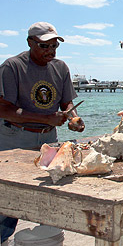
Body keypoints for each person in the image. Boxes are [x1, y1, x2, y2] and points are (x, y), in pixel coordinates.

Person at [0, 22, 85, 243]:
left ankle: (44, 237)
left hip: (48, 139)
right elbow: (4, 110)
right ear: (30, 43)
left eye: (54, 46)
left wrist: (73, 120)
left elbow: (67, 105)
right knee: (7, 197)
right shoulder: (12, 67)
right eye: (44, 46)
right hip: (14, 137)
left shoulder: (61, 68)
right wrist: (46, 118)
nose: (50, 51)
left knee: (47, 193)